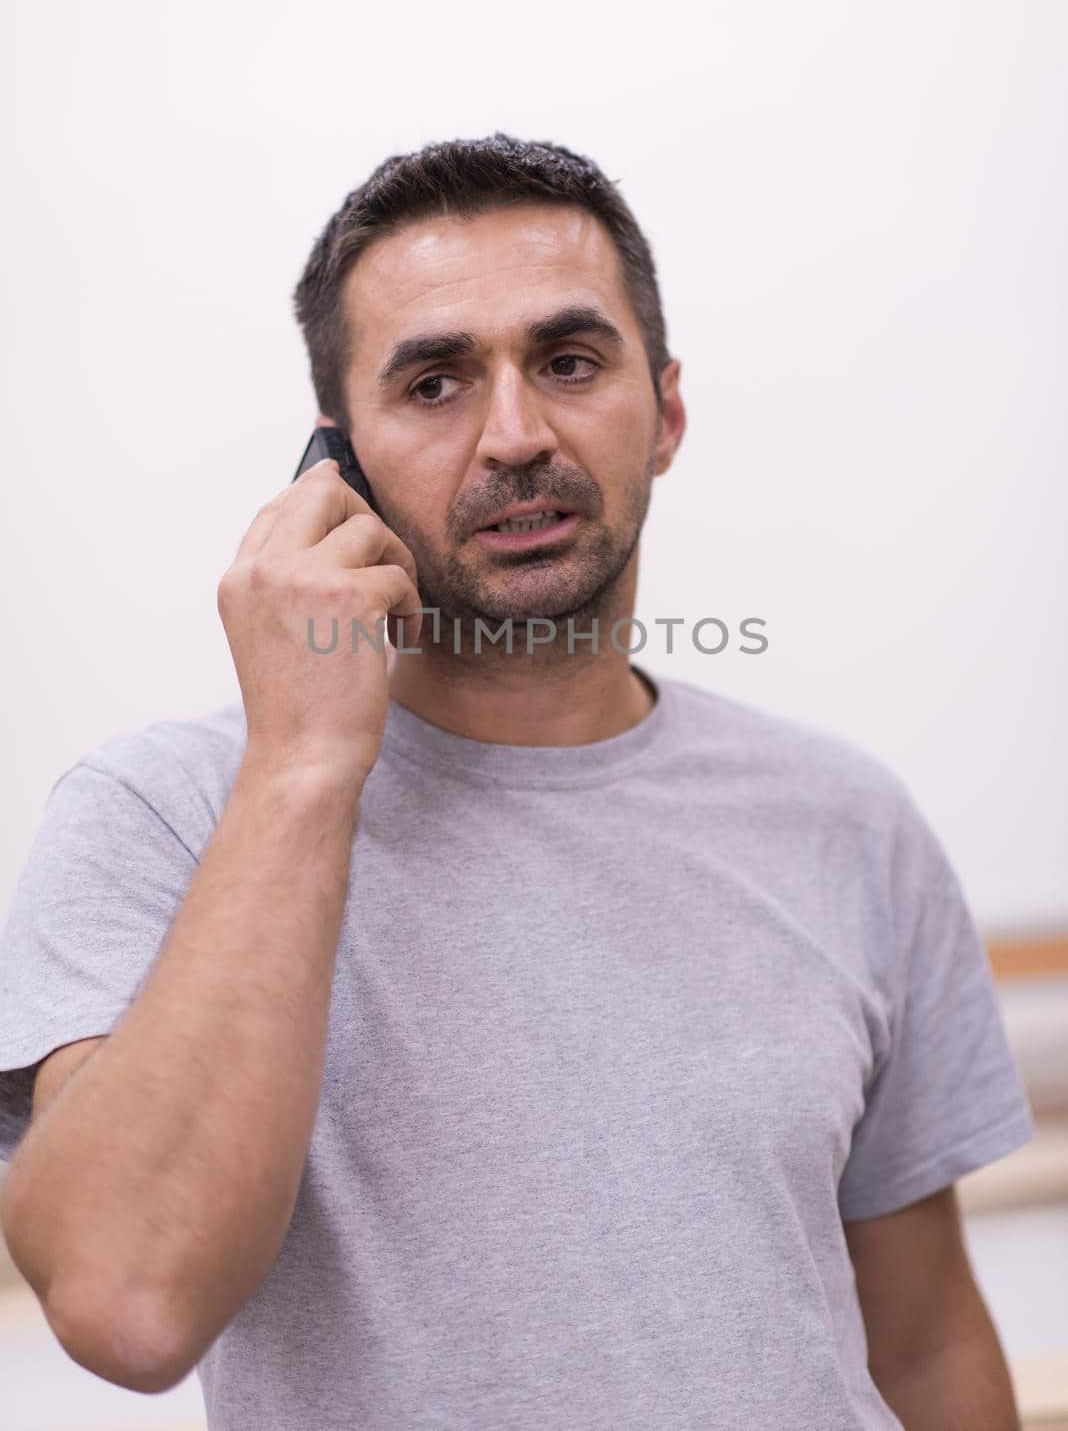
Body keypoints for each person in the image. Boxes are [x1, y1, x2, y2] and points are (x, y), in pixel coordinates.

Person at [0, 133, 1034, 1431]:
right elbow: (124, 1297)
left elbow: (930, 1348)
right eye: (434, 383)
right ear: (341, 467)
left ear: (662, 412)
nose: (514, 434)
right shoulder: (160, 814)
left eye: (568, 361)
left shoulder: (848, 820)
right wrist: (305, 762)